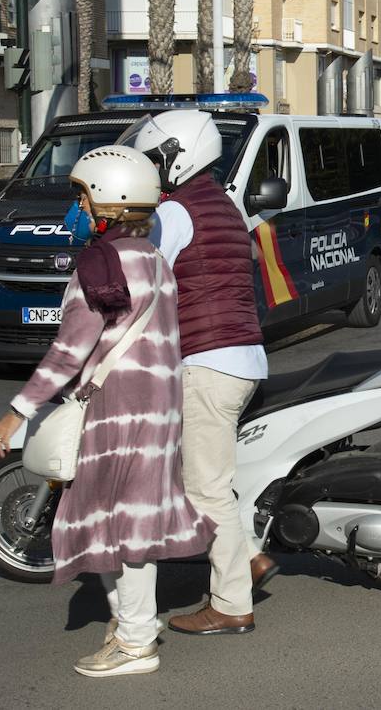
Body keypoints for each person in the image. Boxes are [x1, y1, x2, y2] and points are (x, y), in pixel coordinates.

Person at [0, 146, 214, 678]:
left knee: (119, 525)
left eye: (82, 198)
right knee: (124, 521)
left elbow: (69, 351)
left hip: (119, 409)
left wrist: (16, 413)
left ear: (105, 201)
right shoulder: (153, 257)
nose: (78, 210)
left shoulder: (99, 263)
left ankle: (135, 643)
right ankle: (137, 625)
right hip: (160, 408)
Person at [125, 110, 274, 637]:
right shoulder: (224, 205)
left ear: (176, 157)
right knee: (204, 477)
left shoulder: (178, 213)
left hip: (208, 362)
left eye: (154, 159)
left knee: (206, 489)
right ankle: (249, 557)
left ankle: (232, 603)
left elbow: (143, 283)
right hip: (241, 356)